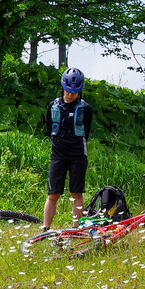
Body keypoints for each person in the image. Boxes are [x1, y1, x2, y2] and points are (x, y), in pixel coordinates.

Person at [42, 67, 93, 230]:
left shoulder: (85, 108)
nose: (70, 94)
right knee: (53, 194)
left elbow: (87, 131)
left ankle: (76, 228)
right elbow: (49, 130)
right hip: (58, 155)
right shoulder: (53, 106)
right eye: (68, 90)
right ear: (63, 87)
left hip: (78, 154)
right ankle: (45, 227)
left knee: (76, 193)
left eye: (75, 92)